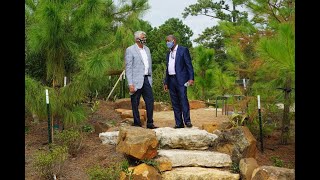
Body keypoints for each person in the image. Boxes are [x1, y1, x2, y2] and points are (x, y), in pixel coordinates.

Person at [125, 31, 158, 129]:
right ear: (137, 39)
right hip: (135, 81)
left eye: (145, 37)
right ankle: (137, 122)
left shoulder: (147, 49)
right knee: (135, 102)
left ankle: (150, 123)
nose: (144, 39)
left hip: (147, 79)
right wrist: (130, 83)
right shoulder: (130, 50)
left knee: (150, 101)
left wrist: (150, 78)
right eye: (142, 38)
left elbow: (149, 65)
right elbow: (128, 67)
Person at [163, 35, 194, 128]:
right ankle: (179, 123)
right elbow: (167, 68)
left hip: (181, 79)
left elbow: (189, 65)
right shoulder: (168, 53)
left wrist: (191, 78)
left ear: (174, 40)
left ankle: (187, 121)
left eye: (169, 41)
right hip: (171, 80)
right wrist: (166, 82)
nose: (167, 43)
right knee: (175, 102)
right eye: (166, 41)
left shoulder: (183, 50)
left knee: (183, 99)